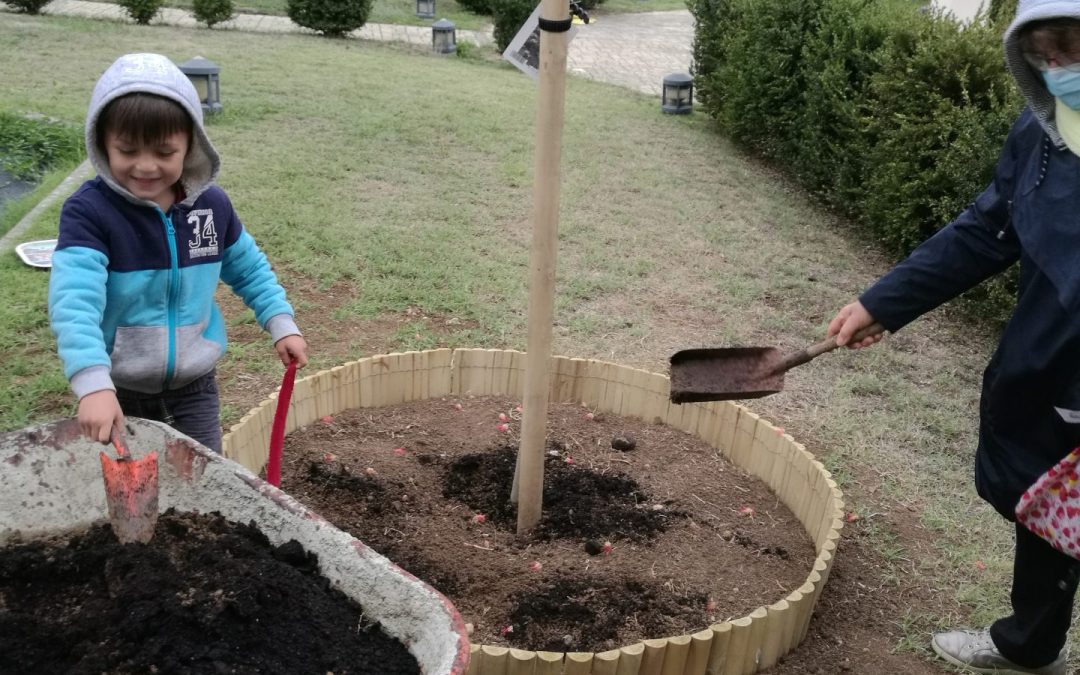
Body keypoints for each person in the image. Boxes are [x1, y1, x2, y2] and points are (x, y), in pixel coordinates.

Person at [827, 3, 1080, 674]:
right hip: (1053, 372)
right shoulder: (1042, 134)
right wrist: (882, 302)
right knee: (1046, 506)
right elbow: (985, 230)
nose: (1061, 73)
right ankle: (1031, 646)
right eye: (1045, 57)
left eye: (1074, 50)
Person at [49, 53, 308, 454]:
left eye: (165, 152)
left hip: (195, 387)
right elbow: (74, 303)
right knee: (129, 489)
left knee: (201, 478)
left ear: (190, 147)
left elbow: (248, 267)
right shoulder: (90, 213)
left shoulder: (211, 207)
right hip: (119, 389)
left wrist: (280, 321)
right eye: (128, 150)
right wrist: (93, 384)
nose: (146, 166)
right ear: (102, 143)